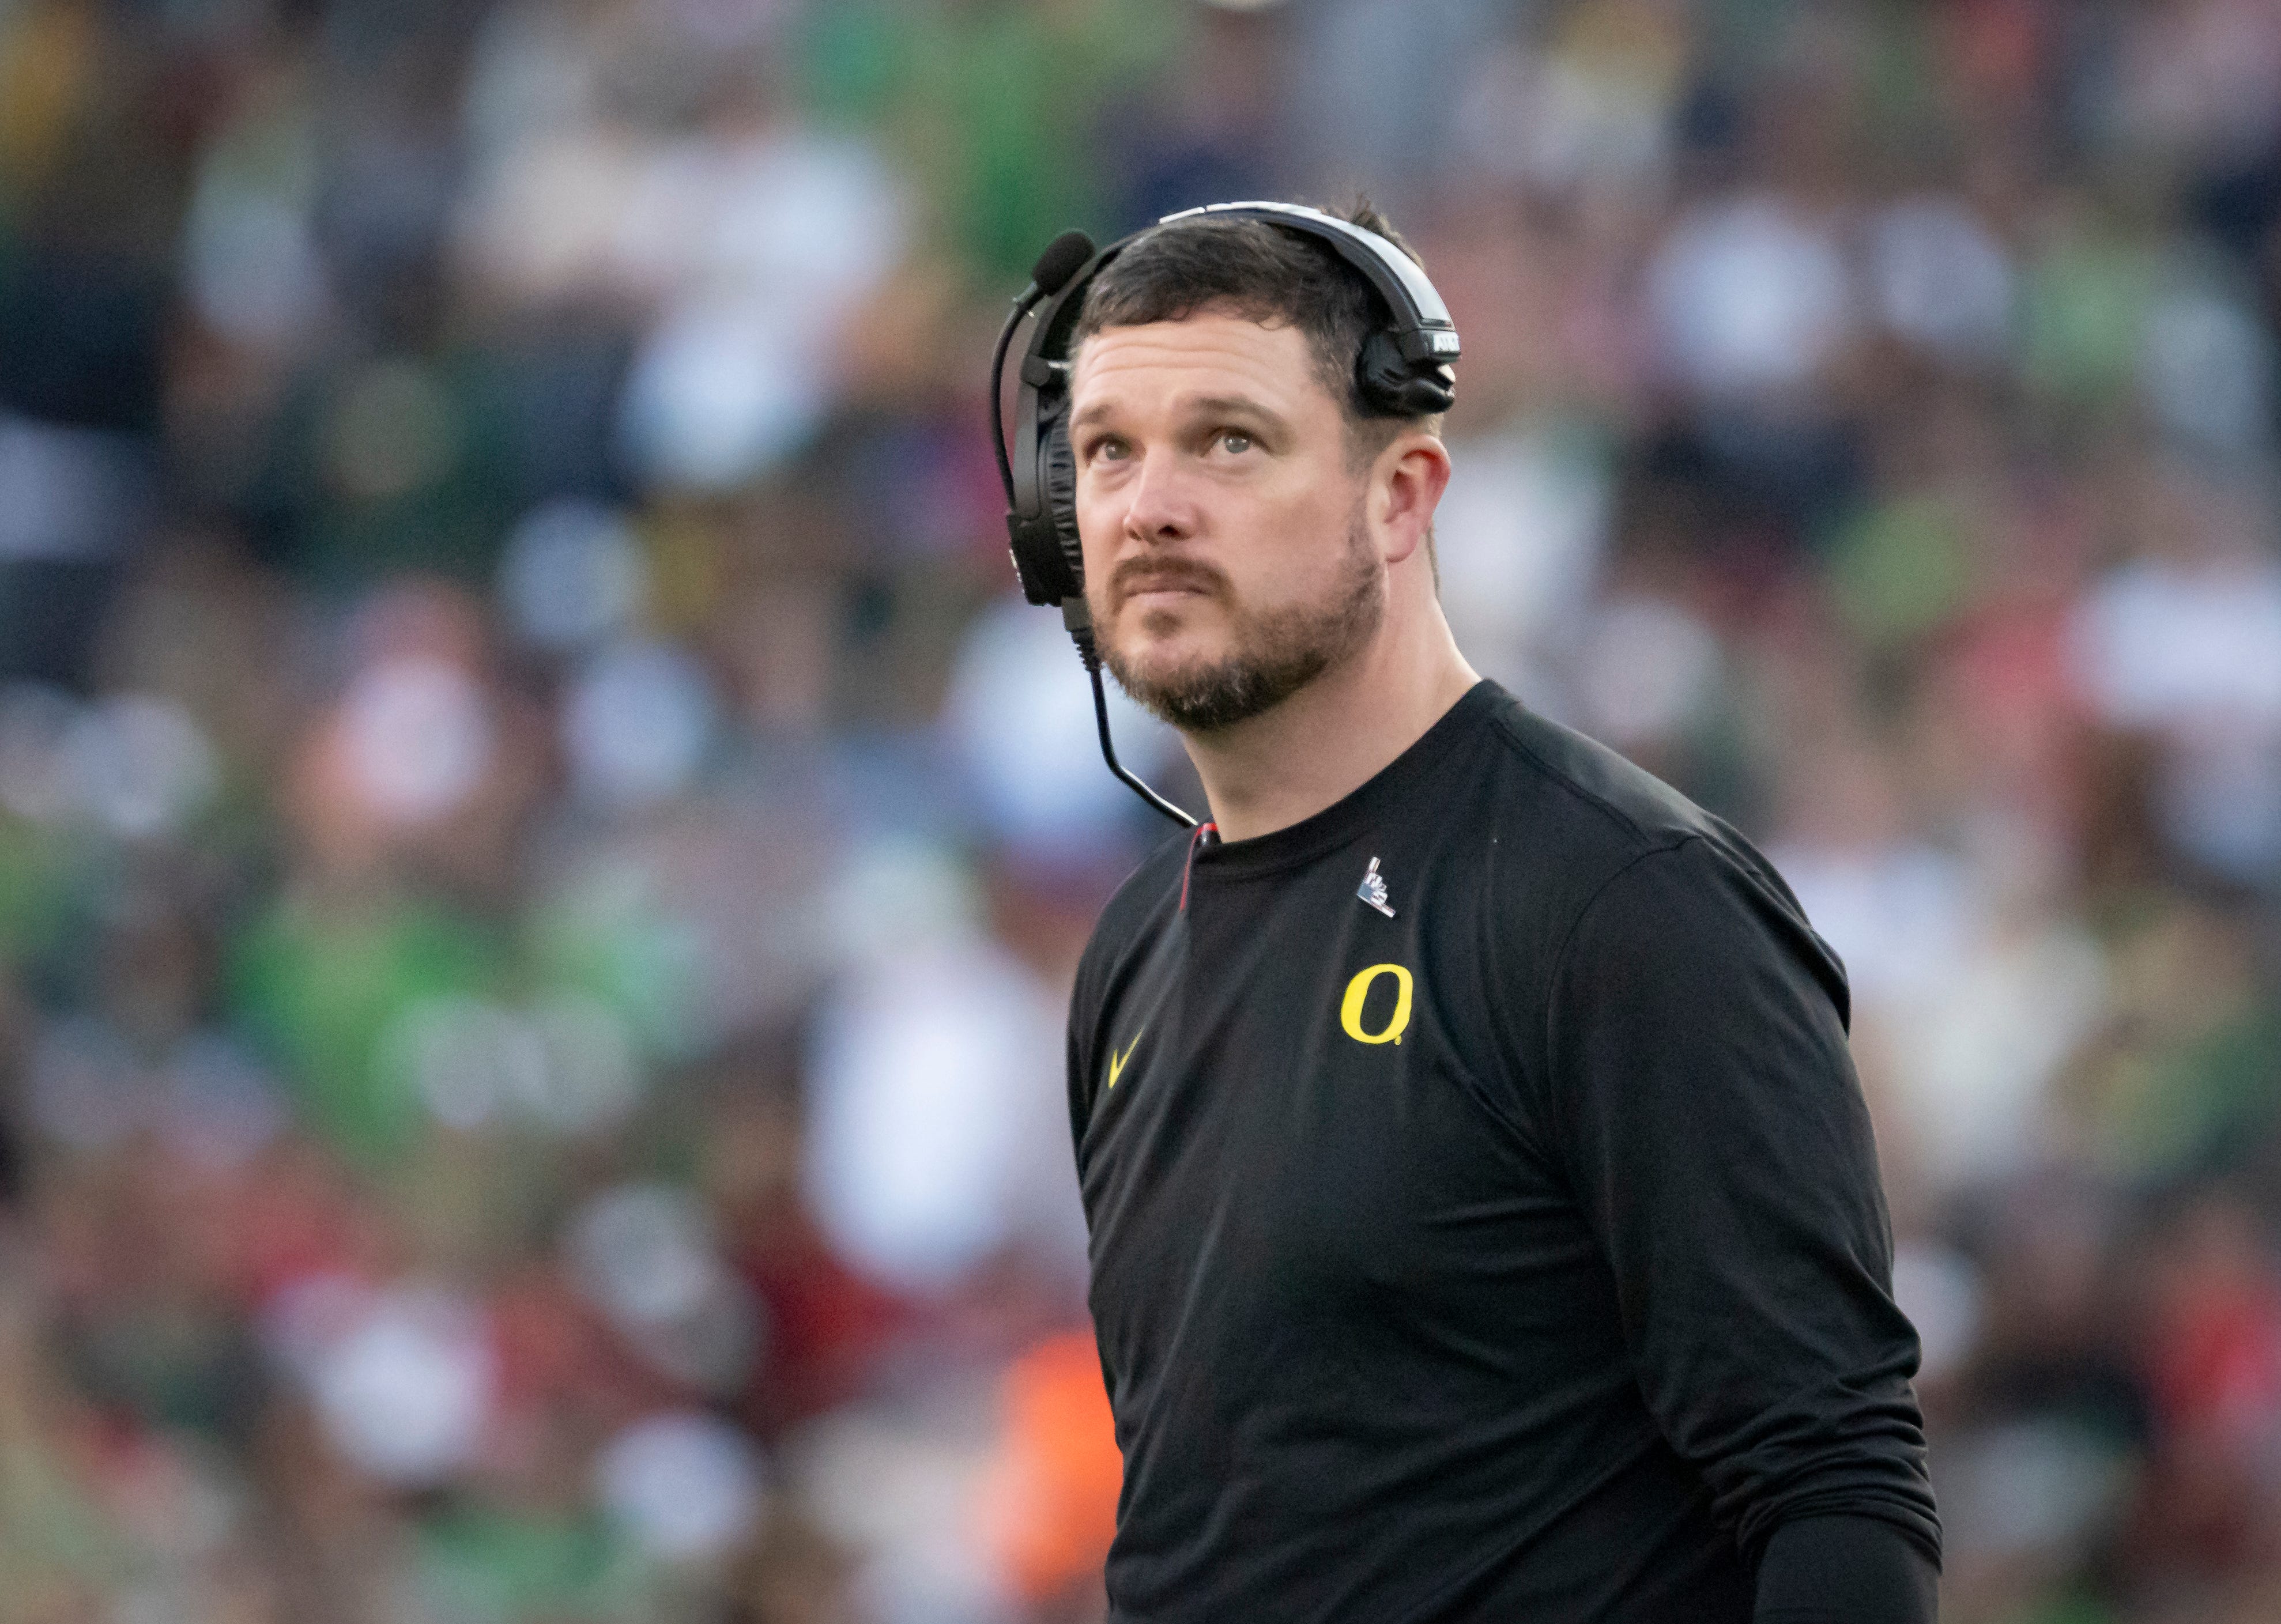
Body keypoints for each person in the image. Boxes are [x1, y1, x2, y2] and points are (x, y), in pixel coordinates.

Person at [1042, 202, 1940, 1622]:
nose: (1149, 504)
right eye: (1106, 450)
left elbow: (1834, 1496)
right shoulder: (1132, 955)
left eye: (1229, 439)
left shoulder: (1623, 903)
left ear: (1400, 495)